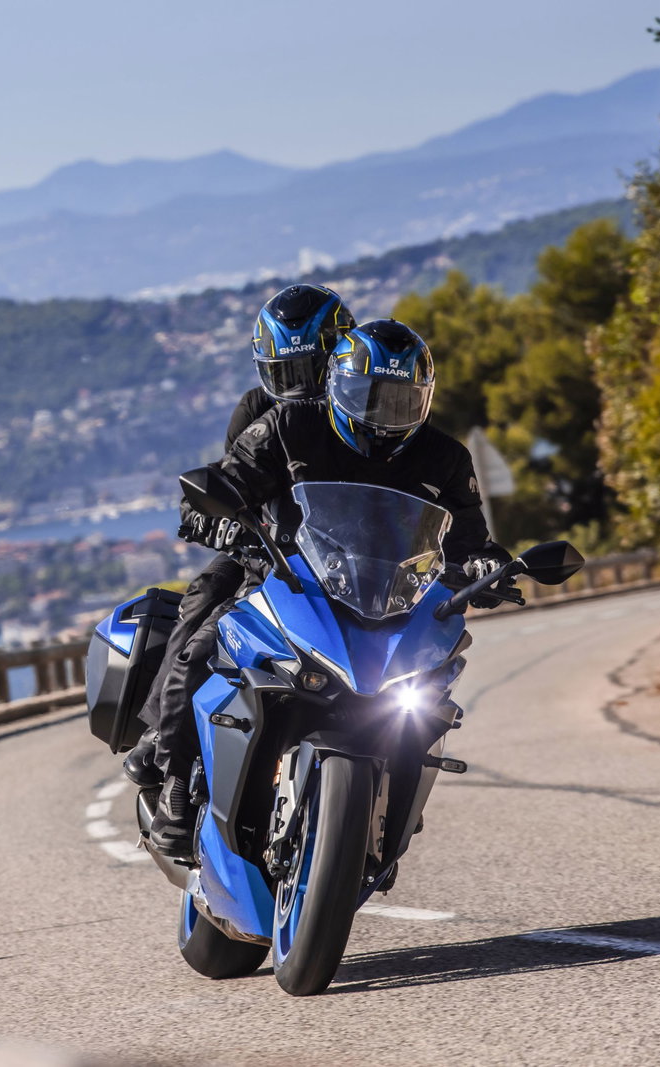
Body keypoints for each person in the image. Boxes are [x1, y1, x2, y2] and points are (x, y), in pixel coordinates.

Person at [147, 318, 512, 857]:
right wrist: (221, 520)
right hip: (290, 579)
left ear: (425, 400)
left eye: (402, 401)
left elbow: (470, 541)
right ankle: (177, 782)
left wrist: (487, 568)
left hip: (392, 600)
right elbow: (224, 482)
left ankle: (390, 809)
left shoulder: (445, 458)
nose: (384, 415)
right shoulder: (290, 424)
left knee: (429, 697)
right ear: (337, 382)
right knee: (206, 650)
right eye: (370, 396)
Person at [120, 284, 356, 790]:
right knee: (203, 607)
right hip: (267, 558)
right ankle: (165, 746)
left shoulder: (362, 416)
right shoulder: (256, 410)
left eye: (312, 370)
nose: (300, 386)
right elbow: (229, 478)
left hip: (349, 565)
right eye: (285, 374)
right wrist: (218, 520)